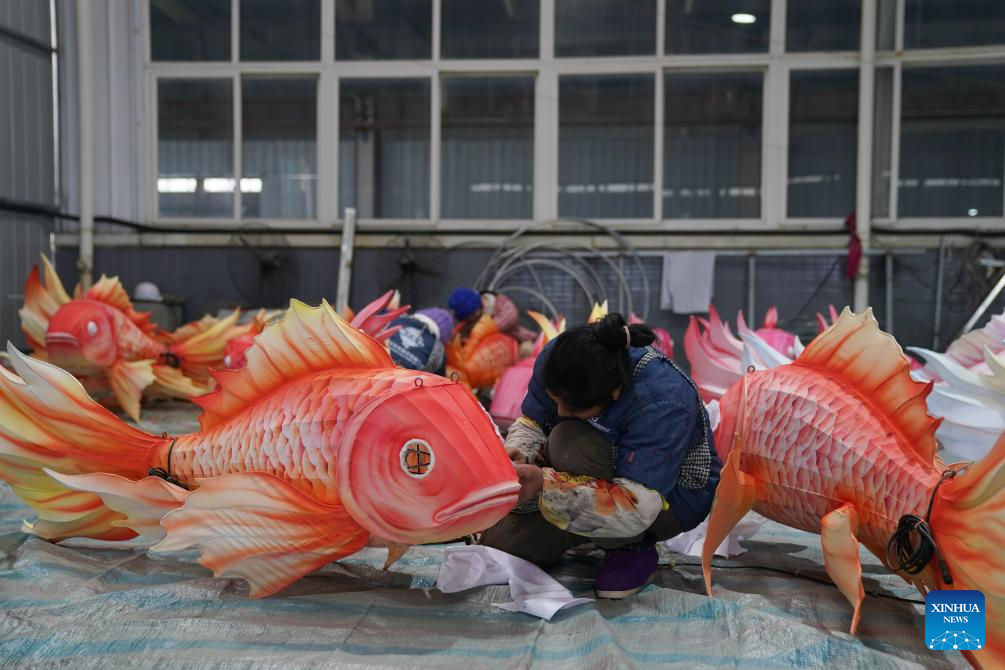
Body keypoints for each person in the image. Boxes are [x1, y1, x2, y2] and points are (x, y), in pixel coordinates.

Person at [480, 313, 722, 598]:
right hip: (590, 469)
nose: (558, 412)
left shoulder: (661, 398)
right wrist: (521, 456)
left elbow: (638, 505)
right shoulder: (558, 359)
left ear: (615, 393)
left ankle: (631, 547)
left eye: (572, 408)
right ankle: (589, 528)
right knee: (498, 548)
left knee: (565, 442)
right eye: (555, 400)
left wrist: (546, 487)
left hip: (669, 497)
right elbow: (534, 422)